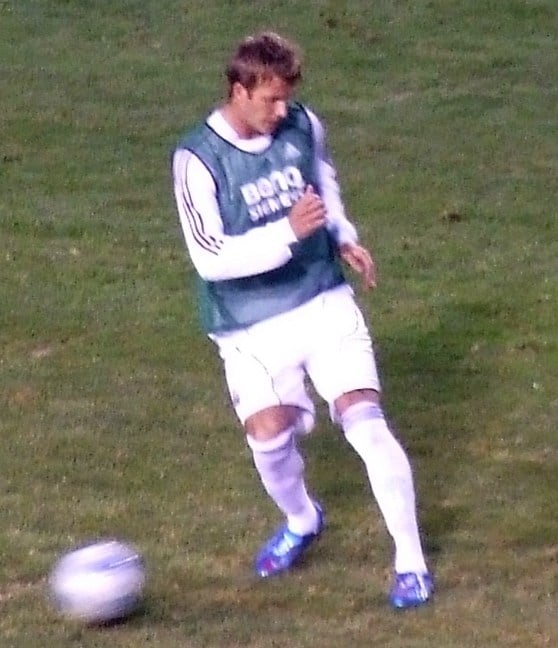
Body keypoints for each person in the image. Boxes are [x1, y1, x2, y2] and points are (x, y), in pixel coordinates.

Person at [171, 31, 433, 609]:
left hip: (322, 301)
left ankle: (411, 563)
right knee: (269, 438)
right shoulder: (196, 160)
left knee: (366, 423)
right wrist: (287, 233)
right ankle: (302, 518)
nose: (282, 110)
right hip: (249, 327)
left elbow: (323, 183)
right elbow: (209, 258)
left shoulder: (301, 125)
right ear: (238, 90)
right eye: (269, 99)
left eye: (287, 98)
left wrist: (342, 235)